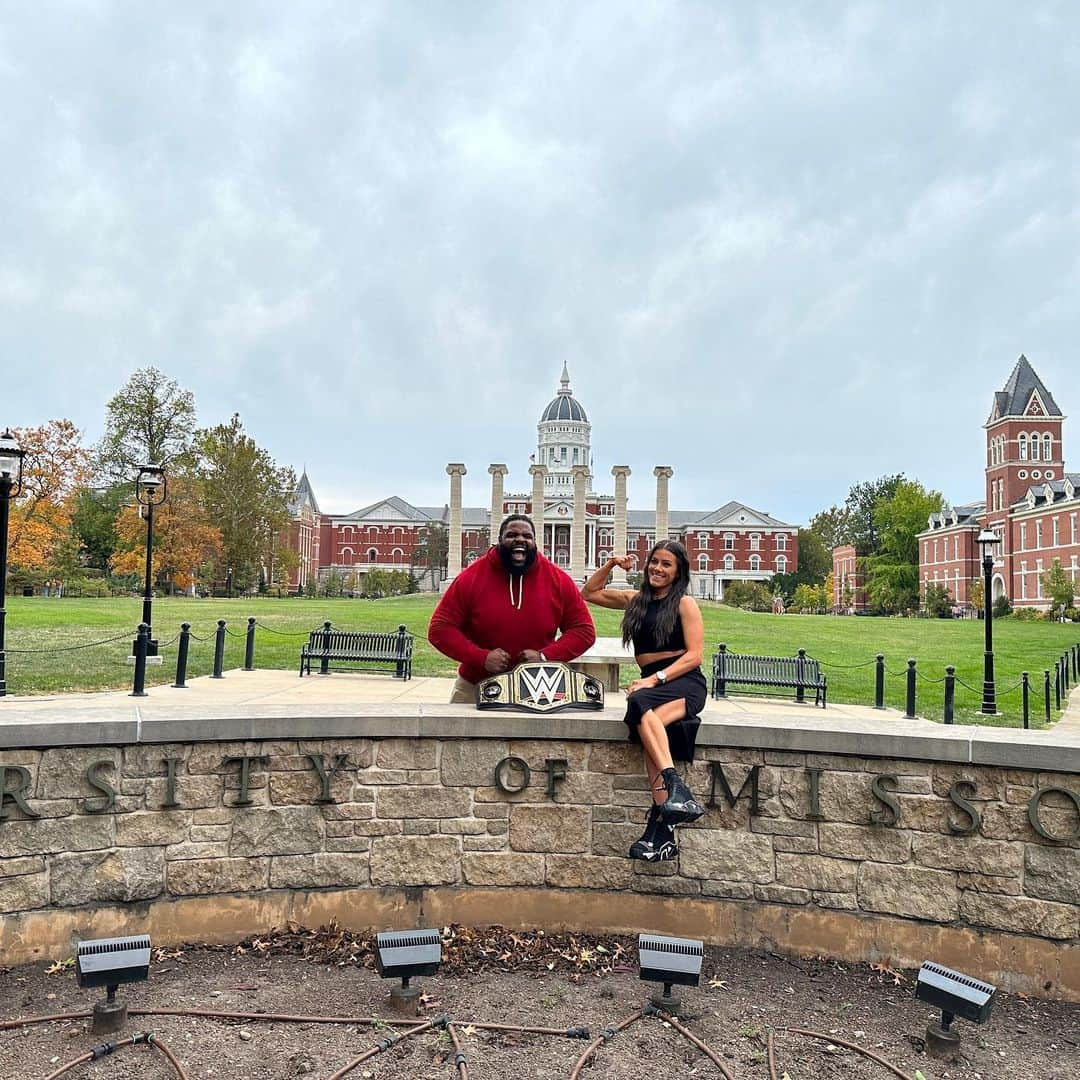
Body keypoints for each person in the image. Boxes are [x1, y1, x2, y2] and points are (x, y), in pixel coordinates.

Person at [582, 541, 707, 861]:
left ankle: (669, 803)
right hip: (653, 682)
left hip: (683, 681)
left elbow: (695, 656)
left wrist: (655, 679)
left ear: (678, 571)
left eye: (667, 564)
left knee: (639, 705)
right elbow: (590, 592)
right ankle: (668, 813)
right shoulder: (636, 600)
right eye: (654, 562)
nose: (658, 569)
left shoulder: (685, 603)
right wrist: (611, 564)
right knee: (647, 725)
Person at [428, 514, 597, 703]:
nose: (520, 540)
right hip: (475, 684)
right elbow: (440, 629)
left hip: (539, 688)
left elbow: (584, 631)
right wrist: (481, 657)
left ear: (535, 542)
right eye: (511, 535)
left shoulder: (558, 580)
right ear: (499, 540)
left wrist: (544, 657)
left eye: (527, 536)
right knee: (463, 733)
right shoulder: (471, 578)